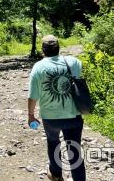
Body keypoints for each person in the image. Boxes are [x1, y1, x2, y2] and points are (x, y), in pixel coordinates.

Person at [28, 35, 86, 181]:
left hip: (50, 117)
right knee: (75, 151)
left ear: (43, 50)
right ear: (59, 48)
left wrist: (30, 115)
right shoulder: (73, 62)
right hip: (73, 115)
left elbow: (33, 95)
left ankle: (56, 174)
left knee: (53, 143)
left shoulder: (38, 67)